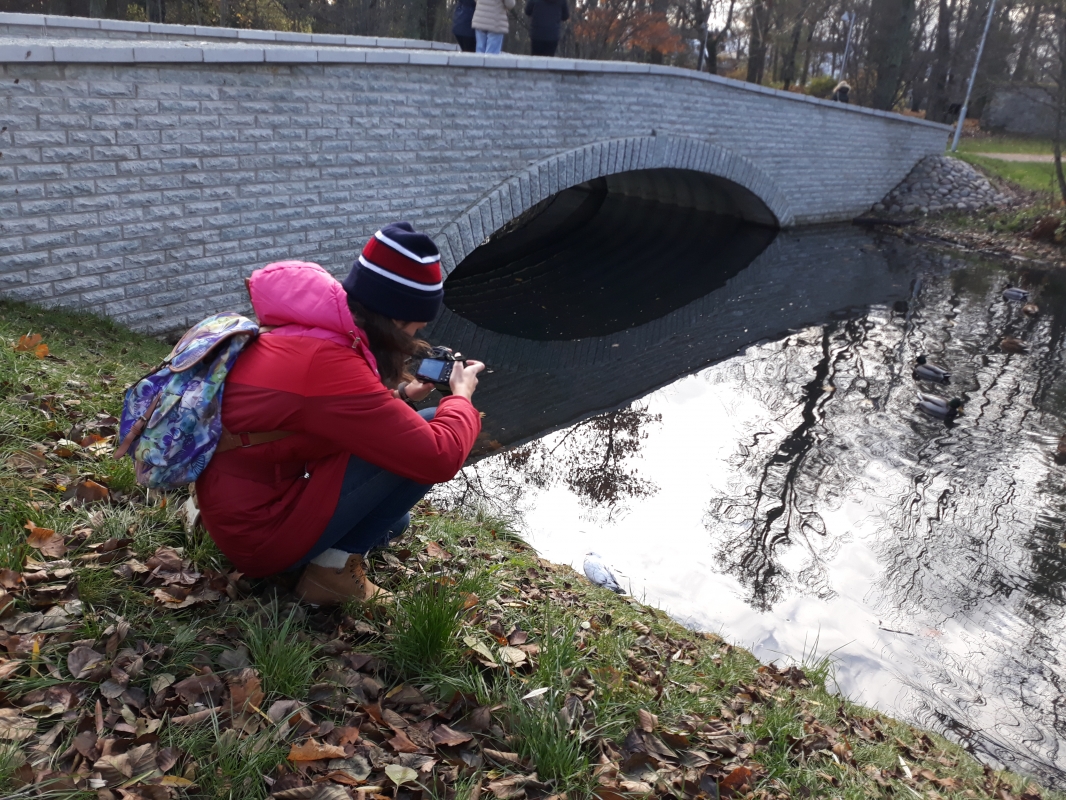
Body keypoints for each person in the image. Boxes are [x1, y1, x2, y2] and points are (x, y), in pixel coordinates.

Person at [194, 222, 484, 606]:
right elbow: (439, 457)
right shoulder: (328, 366)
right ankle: (329, 575)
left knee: (395, 522)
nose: (416, 335)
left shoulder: (309, 331)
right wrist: (462, 397)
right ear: (397, 317)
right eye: (417, 325)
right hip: (257, 537)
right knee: (432, 425)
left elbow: (322, 406)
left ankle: (325, 551)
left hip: (237, 504)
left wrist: (400, 394)